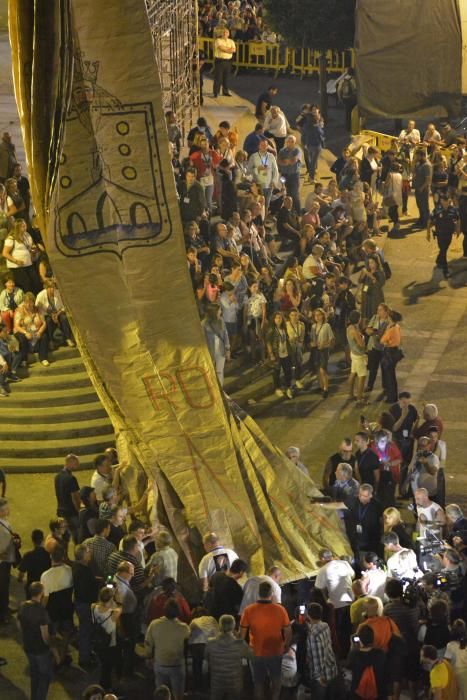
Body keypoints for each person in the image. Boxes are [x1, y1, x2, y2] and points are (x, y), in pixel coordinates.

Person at [240, 580, 291, 700]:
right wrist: (286, 645)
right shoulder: (280, 609)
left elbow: (241, 636)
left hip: (256, 652)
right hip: (276, 650)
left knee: (258, 683)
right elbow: (288, 630)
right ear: (271, 593)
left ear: (259, 593)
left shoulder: (248, 610)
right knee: (276, 679)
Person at [145, 599, 190, 700]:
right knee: (178, 694)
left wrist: (148, 657)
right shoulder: (184, 628)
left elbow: (148, 643)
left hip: (160, 663)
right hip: (177, 664)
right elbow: (188, 644)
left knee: (161, 694)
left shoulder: (154, 624)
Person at [18, 581, 54, 700]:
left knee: (34, 676)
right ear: (41, 593)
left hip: (28, 647)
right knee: (44, 677)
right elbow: (45, 636)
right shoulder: (42, 612)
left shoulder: (23, 606)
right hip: (41, 650)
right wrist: (52, 646)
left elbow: (20, 626)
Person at [315, 549, 354, 655]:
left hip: (337, 604)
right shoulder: (344, 563)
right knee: (351, 628)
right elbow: (352, 575)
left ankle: (343, 654)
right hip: (351, 601)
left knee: (340, 630)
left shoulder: (323, 570)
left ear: (322, 559)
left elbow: (319, 588)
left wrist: (327, 600)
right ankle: (352, 651)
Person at [206, 613, 252, 700]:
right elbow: (252, 656)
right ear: (234, 626)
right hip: (235, 682)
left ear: (220, 625)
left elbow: (206, 659)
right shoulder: (239, 644)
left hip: (217, 682)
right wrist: (240, 638)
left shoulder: (210, 643)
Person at [73, 543, 99, 669]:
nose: (90, 554)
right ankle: (84, 659)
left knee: (86, 630)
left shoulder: (77, 567)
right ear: (83, 556)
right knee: (85, 632)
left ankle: (87, 653)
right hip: (85, 605)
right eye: (88, 552)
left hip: (80, 603)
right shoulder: (84, 570)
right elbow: (86, 590)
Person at [92, 586, 121, 692]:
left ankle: (104, 684)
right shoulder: (113, 613)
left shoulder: (94, 607)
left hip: (98, 641)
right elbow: (120, 607)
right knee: (107, 667)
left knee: (103, 664)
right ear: (111, 598)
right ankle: (105, 687)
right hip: (110, 643)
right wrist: (117, 597)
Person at [305, 602, 338, 697]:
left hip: (322, 677)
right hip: (331, 668)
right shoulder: (325, 625)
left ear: (308, 615)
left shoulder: (312, 635)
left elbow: (317, 658)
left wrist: (319, 678)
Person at [2, 218, 41, 293]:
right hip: (17, 266)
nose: (25, 227)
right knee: (26, 283)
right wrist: (16, 261)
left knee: (36, 281)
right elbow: (5, 253)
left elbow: (30, 246)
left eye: (25, 225)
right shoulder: (11, 238)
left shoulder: (27, 235)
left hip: (28, 263)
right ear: (17, 227)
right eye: (23, 226)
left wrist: (33, 250)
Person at [348, 624, 386, 700]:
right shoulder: (380, 654)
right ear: (373, 638)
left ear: (360, 639)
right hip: (378, 693)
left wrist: (353, 647)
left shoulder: (354, 654)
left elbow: (349, 666)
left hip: (357, 694)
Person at [346, 484, 383, 561]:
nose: (361, 498)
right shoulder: (353, 502)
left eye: (365, 496)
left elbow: (380, 522)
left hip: (371, 539)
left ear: (371, 495)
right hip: (355, 537)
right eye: (360, 495)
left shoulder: (377, 505)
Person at [427, 194, 460, 278]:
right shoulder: (437, 210)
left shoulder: (453, 210)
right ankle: (445, 270)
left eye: (447, 201)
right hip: (440, 233)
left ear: (449, 201)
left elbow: (458, 219)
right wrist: (428, 233)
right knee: (443, 248)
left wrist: (458, 230)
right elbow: (429, 220)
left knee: (444, 248)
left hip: (449, 233)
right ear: (441, 201)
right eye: (444, 201)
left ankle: (439, 260)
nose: (446, 203)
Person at [35, 280, 75, 348]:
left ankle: (68, 338)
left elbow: (64, 306)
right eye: (49, 288)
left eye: (53, 287)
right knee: (48, 320)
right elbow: (38, 309)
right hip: (47, 314)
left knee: (64, 318)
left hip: (58, 313)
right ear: (45, 288)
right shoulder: (40, 295)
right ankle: (51, 341)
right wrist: (50, 315)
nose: (52, 289)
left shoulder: (58, 293)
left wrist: (57, 314)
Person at [14, 291, 49, 366]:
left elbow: (44, 323)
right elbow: (16, 326)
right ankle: (24, 359)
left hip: (36, 330)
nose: (29, 304)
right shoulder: (20, 310)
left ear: (34, 302)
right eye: (26, 302)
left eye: (31, 302)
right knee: (23, 339)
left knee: (44, 336)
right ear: (24, 302)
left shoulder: (38, 309)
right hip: (23, 330)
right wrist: (25, 333)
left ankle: (43, 358)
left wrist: (40, 332)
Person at [0, 496, 20, 623]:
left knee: (5, 587)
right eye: (6, 508)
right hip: (2, 563)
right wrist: (12, 543)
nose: (9, 510)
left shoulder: (4, 522)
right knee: (1, 588)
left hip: (5, 562)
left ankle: (5, 608)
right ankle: (2, 616)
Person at [266, 311, 293, 399]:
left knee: (287, 371)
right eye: (276, 318)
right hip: (276, 354)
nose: (278, 319)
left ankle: (287, 387)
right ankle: (277, 388)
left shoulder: (283, 329)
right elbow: (268, 343)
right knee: (276, 372)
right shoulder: (271, 330)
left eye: (280, 318)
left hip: (285, 353)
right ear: (273, 319)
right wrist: (271, 354)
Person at [202, 303, 230, 386]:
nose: (220, 312)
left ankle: (220, 389)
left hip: (221, 350)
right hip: (210, 352)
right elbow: (203, 339)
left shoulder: (221, 321)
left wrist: (228, 349)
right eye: (219, 310)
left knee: (220, 371)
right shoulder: (204, 324)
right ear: (214, 312)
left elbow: (225, 334)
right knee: (211, 372)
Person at [54, 453, 81, 543]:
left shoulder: (57, 477)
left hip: (61, 511)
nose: (77, 466)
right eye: (76, 464)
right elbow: (75, 497)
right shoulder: (71, 479)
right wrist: (79, 510)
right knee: (77, 537)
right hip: (71, 513)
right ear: (69, 462)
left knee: (64, 538)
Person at [248, 138, 279, 210]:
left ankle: (264, 220)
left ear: (267, 146)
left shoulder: (271, 156)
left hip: (269, 185)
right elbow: (248, 171)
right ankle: (259, 220)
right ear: (259, 146)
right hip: (258, 185)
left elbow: (275, 170)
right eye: (262, 145)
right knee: (258, 205)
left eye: (265, 145)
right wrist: (257, 169)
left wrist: (274, 181)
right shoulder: (254, 157)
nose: (264, 147)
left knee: (266, 205)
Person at [310, 307, 334, 399]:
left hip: (324, 350)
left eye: (319, 315)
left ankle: (326, 388)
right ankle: (321, 386)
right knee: (317, 369)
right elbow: (312, 339)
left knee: (322, 369)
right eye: (315, 315)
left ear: (323, 316)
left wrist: (324, 344)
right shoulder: (313, 326)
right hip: (316, 350)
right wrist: (312, 343)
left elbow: (332, 339)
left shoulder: (326, 326)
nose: (317, 317)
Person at [17, 529, 51, 595]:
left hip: (32, 587)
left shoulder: (28, 555)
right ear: (43, 539)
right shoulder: (48, 555)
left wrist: (20, 580)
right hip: (45, 586)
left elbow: (21, 573)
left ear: (32, 540)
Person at [380, 310, 403, 405]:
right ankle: (393, 395)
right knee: (392, 374)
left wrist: (386, 333)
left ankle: (391, 397)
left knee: (389, 375)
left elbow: (382, 340)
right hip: (395, 351)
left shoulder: (391, 329)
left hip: (389, 352)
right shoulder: (397, 326)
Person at [347, 310, 368, 406]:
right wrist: (363, 337)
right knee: (362, 376)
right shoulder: (354, 331)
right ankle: (360, 398)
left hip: (353, 353)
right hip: (359, 355)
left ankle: (351, 394)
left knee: (353, 373)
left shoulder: (350, 327)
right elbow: (362, 344)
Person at [277, 135, 302, 214]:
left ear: (294, 143)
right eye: (288, 141)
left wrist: (285, 161)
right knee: (285, 193)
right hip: (283, 176)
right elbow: (278, 162)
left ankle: (298, 212)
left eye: (292, 142)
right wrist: (287, 162)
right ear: (286, 142)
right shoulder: (281, 151)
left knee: (294, 194)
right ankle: (287, 212)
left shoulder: (297, 151)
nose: (290, 143)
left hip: (294, 176)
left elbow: (293, 161)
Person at [445, 619, 467, 699]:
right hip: (465, 673)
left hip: (454, 673)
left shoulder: (450, 645)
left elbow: (447, 661)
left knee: (455, 693)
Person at [412, 149, 432, 230]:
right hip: (418, 188)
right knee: (419, 205)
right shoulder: (419, 164)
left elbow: (428, 179)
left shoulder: (427, 165)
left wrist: (422, 187)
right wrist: (413, 162)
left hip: (423, 189)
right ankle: (421, 220)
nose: (416, 157)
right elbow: (413, 171)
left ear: (422, 155)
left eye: (417, 155)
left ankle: (425, 223)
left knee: (424, 206)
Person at [213, 28, 235, 97]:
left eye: (226, 32)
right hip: (220, 60)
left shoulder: (231, 41)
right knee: (218, 77)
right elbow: (221, 48)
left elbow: (234, 50)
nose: (225, 33)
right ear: (222, 33)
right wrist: (229, 49)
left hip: (228, 61)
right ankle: (216, 92)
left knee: (226, 77)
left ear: (228, 34)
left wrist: (226, 49)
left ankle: (225, 91)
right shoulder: (218, 40)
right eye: (224, 32)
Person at [286, 308, 305, 389]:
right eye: (292, 315)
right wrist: (289, 339)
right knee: (290, 364)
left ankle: (297, 380)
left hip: (297, 346)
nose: (294, 317)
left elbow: (302, 337)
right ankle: (289, 383)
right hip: (289, 347)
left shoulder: (301, 325)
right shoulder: (286, 324)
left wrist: (300, 342)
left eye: (296, 315)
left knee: (298, 363)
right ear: (289, 316)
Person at [337, 67, 357, 132]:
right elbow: (356, 89)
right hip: (353, 99)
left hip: (345, 98)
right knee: (354, 112)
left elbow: (339, 90)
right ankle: (354, 126)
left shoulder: (343, 80)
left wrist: (340, 98)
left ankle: (348, 127)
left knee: (347, 113)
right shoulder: (353, 80)